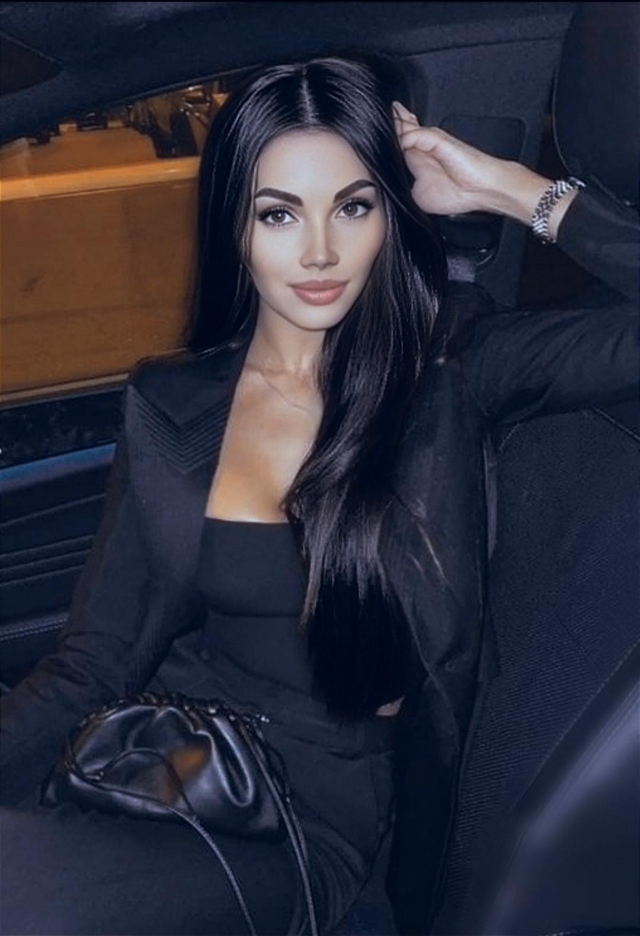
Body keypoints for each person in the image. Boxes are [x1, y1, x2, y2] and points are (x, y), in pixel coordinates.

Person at [0, 54, 637, 936]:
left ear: (390, 215)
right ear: (234, 226)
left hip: (310, 824)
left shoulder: (450, 371)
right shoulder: (174, 406)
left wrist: (510, 189)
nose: (319, 253)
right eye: (279, 213)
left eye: (353, 207)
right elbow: (94, 662)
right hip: (168, 767)